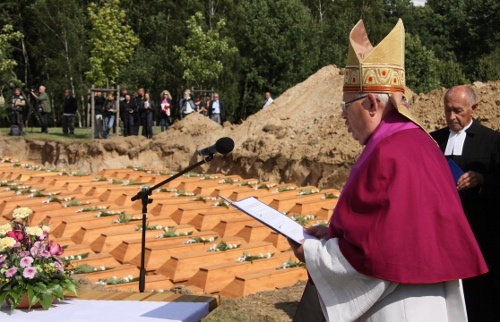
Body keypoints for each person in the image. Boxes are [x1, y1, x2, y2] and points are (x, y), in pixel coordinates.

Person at [288, 19, 488, 322]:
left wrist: (315, 254)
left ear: (370, 103)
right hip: (423, 296)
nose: (343, 118)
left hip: (398, 306)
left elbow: (374, 254)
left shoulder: (389, 153)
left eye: (346, 106)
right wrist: (331, 236)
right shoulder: (417, 141)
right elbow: (389, 229)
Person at [430, 85, 500, 321]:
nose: (452, 117)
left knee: (478, 295)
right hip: (442, 230)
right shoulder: (434, 140)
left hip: (478, 231)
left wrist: (482, 181)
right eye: (447, 110)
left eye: (458, 111)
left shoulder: (492, 141)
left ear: (474, 108)